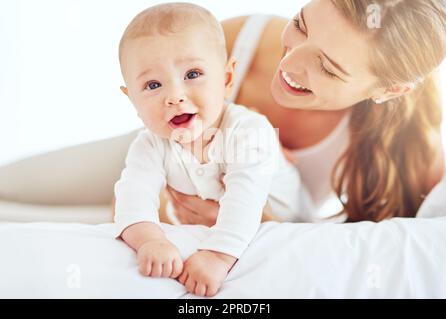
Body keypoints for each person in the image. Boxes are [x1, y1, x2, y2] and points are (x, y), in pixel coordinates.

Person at [0, 0, 446, 265]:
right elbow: (153, 86)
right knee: (9, 184)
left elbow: (349, 253)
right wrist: (144, 189)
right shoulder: (247, 39)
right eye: (301, 25)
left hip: (189, 221)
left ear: (389, 89)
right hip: (154, 155)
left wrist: (250, 221)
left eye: (327, 68)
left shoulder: (410, 157)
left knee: (28, 233)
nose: (289, 65)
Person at [114, 3, 307, 297]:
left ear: (227, 79)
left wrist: (218, 255)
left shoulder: (249, 131)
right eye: (153, 85)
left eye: (192, 74)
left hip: (278, 216)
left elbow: (244, 201)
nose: (175, 96)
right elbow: (133, 195)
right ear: (132, 101)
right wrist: (151, 240)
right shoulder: (150, 143)